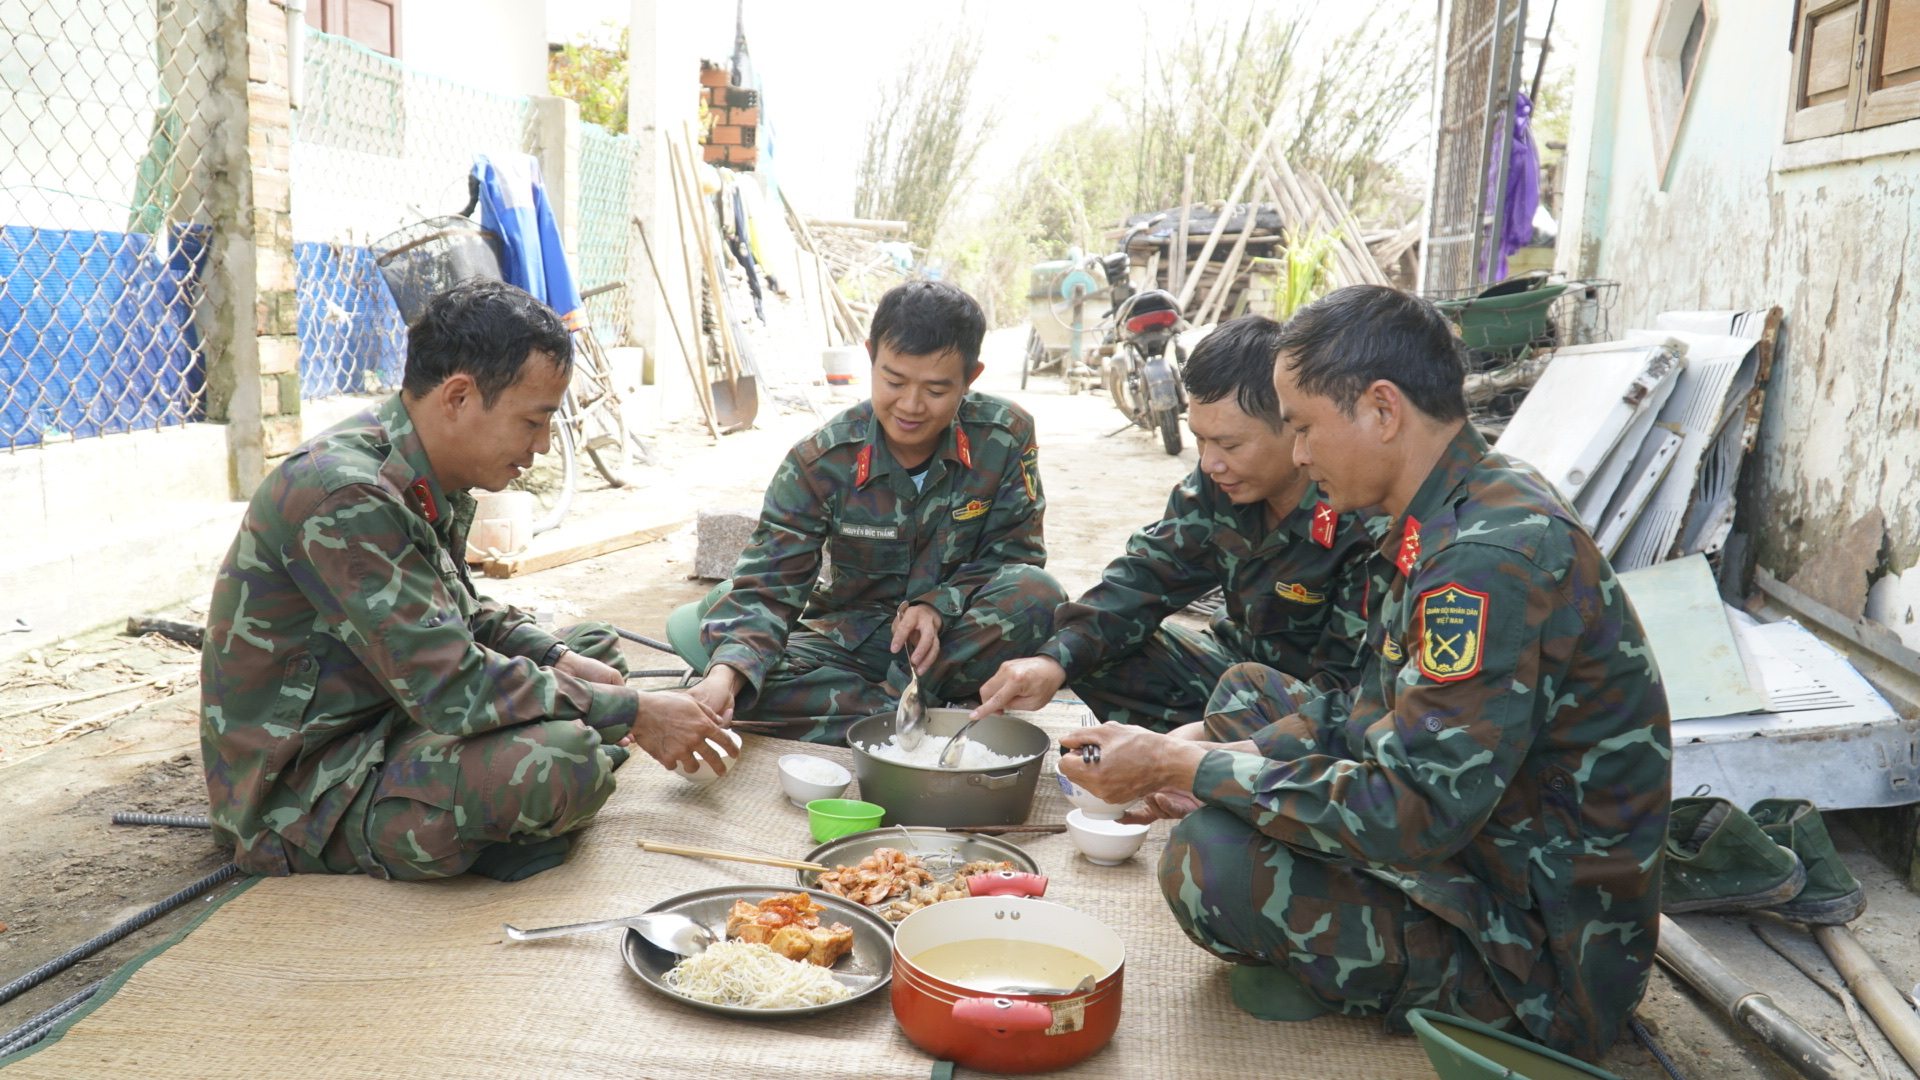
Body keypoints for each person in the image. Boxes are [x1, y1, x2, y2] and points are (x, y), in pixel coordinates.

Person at [1058, 285, 1670, 1058]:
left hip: (1540, 947)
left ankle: (1484, 1001)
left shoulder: (1483, 564)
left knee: (1210, 861)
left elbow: (1409, 811)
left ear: (1383, 410)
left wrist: (1196, 768)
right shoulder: (1455, 506)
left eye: (1306, 426)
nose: (1301, 451)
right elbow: (1369, 709)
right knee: (1243, 697)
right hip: (1489, 838)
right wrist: (1214, 755)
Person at [201, 280, 731, 883]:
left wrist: (560, 658)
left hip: (389, 716)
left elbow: (463, 613)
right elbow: (451, 686)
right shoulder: (346, 496)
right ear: (458, 396)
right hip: (308, 788)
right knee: (563, 759)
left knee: (593, 649)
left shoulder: (411, 465)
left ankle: (516, 794)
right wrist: (635, 713)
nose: (541, 447)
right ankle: (499, 813)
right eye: (533, 421)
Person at [687, 280, 1066, 743]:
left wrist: (937, 606)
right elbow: (768, 586)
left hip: (958, 639)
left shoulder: (1005, 435)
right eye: (894, 381)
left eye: (936, 389)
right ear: (870, 356)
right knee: (745, 685)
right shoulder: (820, 460)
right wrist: (726, 676)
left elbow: (1015, 558)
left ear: (971, 377)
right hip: (855, 641)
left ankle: (882, 715)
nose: (910, 405)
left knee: (1040, 594)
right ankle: (923, 714)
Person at [973, 315, 1377, 733]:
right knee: (1090, 645)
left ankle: (1203, 766)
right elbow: (1145, 578)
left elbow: (1350, 688)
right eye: (1199, 438)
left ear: (1294, 427)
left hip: (1319, 713)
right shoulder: (1218, 484)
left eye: (1230, 444)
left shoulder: (1357, 511)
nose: (1209, 462)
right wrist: (1051, 661)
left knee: (1253, 703)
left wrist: (1203, 742)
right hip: (1230, 674)